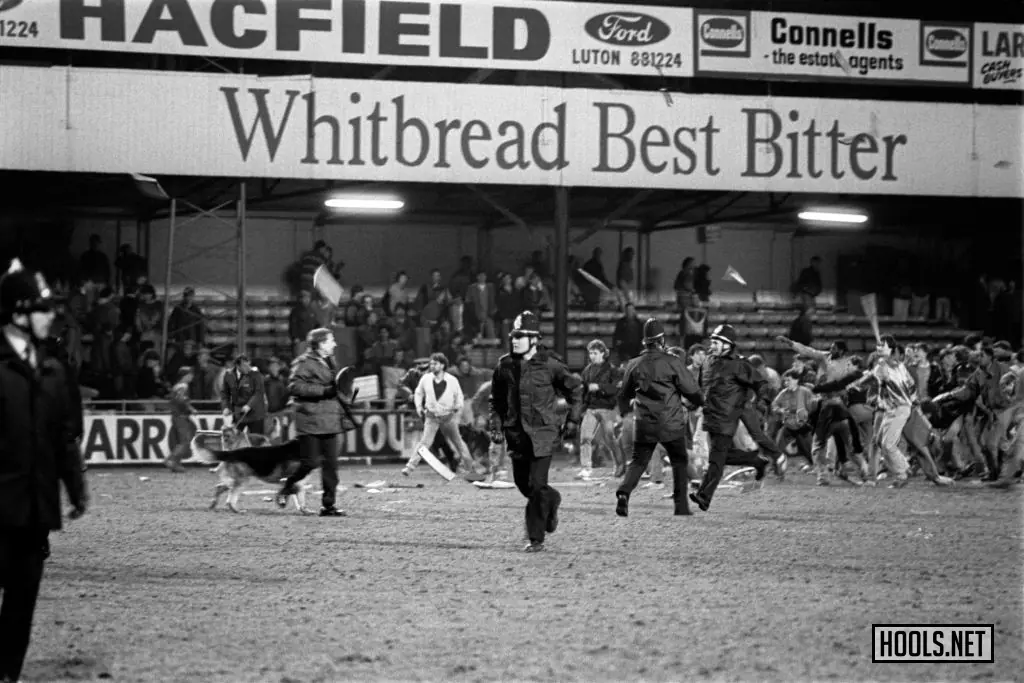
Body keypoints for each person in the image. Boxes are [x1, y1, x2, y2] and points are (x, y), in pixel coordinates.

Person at [1, 259, 88, 683]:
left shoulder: (54, 371)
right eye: (42, 308)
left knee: (21, 605)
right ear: (18, 313)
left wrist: (77, 489)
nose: (51, 316)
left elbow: (64, 438)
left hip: (34, 513)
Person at [488, 311, 581, 553]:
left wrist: (572, 421)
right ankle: (552, 499)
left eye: (521, 336)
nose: (515, 340)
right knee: (524, 485)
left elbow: (576, 392)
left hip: (543, 435)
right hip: (517, 437)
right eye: (514, 336)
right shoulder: (504, 365)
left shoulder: (552, 365)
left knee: (538, 485)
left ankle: (536, 538)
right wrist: (496, 425)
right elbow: (496, 400)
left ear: (534, 339)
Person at [614, 318, 704, 517]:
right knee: (679, 461)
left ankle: (624, 492)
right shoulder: (673, 362)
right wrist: (699, 402)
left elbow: (623, 395)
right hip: (671, 422)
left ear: (645, 341)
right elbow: (691, 390)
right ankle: (681, 507)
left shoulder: (633, 364)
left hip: (644, 422)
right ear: (662, 340)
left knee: (637, 462)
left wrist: (629, 411)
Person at [690, 324, 771, 513]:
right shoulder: (708, 361)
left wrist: (762, 403)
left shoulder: (740, 364)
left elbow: (761, 384)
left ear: (728, 345)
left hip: (727, 417)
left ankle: (704, 496)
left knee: (716, 460)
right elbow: (702, 387)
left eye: (718, 341)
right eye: (713, 341)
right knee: (719, 457)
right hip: (711, 415)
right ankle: (756, 460)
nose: (714, 344)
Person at [276, 327, 356, 517]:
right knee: (310, 462)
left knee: (331, 466)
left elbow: (334, 388)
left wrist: (347, 395)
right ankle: (288, 485)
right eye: (331, 340)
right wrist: (323, 391)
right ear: (320, 343)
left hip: (330, 419)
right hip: (310, 420)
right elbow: (294, 386)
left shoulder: (330, 361)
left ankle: (328, 506)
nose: (334, 343)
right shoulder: (303, 363)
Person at [403, 353, 474, 477]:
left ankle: (469, 467)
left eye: (435, 364)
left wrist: (457, 408)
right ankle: (410, 467)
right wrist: (419, 406)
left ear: (442, 365)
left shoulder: (452, 380)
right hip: (432, 416)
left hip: (448, 416)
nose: (432, 366)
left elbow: (459, 396)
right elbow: (418, 393)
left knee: (458, 442)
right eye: (431, 364)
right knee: (424, 442)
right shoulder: (425, 379)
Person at [578, 339, 625, 480]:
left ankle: (620, 464)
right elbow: (584, 391)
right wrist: (582, 408)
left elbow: (616, 388)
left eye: (595, 353)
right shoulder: (587, 371)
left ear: (603, 353)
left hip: (607, 409)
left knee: (609, 438)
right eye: (590, 353)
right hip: (591, 409)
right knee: (585, 437)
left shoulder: (613, 370)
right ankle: (586, 468)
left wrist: (600, 387)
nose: (592, 356)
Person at [221, 353, 268, 436]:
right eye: (244, 366)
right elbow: (225, 394)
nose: (248, 367)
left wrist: (249, 405)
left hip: (256, 414)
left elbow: (259, 393)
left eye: (248, 365)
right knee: (234, 439)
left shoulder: (256, 375)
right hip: (239, 414)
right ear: (237, 366)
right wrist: (225, 407)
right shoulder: (228, 375)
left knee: (256, 441)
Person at [166, 366, 197, 473]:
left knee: (181, 441)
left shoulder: (177, 386)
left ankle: (176, 464)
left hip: (176, 416)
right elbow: (181, 399)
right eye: (190, 375)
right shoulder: (183, 386)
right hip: (181, 417)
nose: (192, 377)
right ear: (186, 375)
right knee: (185, 441)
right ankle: (171, 460)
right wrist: (191, 408)